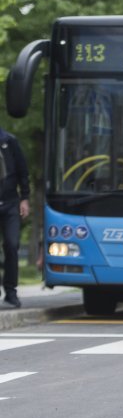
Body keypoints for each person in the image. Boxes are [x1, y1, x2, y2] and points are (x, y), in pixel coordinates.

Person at [0, 126, 30, 308]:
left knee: (12, 244)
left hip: (10, 202)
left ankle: (11, 292)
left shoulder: (9, 141)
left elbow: (22, 171)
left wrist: (25, 198)